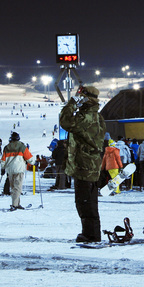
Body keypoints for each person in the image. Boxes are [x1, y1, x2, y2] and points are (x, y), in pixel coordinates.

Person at [59, 85, 106, 242]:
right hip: (89, 165)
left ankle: (90, 234)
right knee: (89, 201)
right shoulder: (97, 116)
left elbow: (65, 121)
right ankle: (91, 233)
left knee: (85, 202)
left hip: (84, 166)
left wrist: (72, 103)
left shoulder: (86, 117)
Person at [1, 132, 35, 210]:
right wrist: (34, 162)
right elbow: (28, 157)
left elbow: (3, 159)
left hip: (10, 169)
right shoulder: (22, 146)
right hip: (19, 169)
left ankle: (17, 203)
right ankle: (14, 204)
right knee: (17, 187)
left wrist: (2, 168)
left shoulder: (7, 147)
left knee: (13, 187)